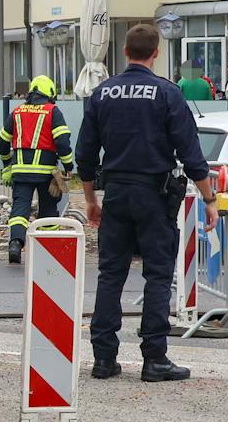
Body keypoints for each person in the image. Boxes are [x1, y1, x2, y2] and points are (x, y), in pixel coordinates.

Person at [76, 23, 217, 383]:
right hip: (155, 196)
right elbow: (191, 153)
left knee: (111, 275)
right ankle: (154, 359)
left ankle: (103, 359)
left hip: (117, 194)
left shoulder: (101, 94)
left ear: (125, 52)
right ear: (156, 53)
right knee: (157, 274)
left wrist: (91, 200)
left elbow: (86, 155)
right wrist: (209, 199)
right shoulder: (167, 94)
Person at [0, 74, 75, 264]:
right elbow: (62, 142)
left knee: (20, 209)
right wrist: (68, 166)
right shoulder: (52, 111)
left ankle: (15, 244)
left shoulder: (17, 112)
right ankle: (47, 250)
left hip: (21, 172)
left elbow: (1, 142)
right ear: (49, 93)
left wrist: (7, 164)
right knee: (48, 209)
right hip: (46, 173)